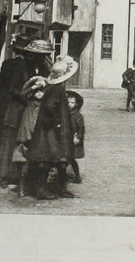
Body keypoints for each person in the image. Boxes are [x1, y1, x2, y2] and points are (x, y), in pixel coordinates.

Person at [0, 36, 52, 183]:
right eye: (40, 55)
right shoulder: (20, 66)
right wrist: (27, 95)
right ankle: (8, 174)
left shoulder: (43, 68)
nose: (43, 58)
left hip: (30, 107)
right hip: (17, 107)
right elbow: (13, 88)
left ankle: (25, 172)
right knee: (12, 139)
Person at [25, 55, 78, 200]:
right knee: (47, 159)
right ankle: (42, 190)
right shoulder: (57, 89)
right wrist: (57, 123)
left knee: (58, 159)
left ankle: (60, 187)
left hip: (49, 128)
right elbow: (49, 107)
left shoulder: (52, 86)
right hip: (50, 131)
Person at [13, 75, 47, 197]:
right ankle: (21, 187)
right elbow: (22, 94)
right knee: (23, 161)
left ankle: (35, 187)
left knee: (38, 162)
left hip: (38, 135)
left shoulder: (44, 105)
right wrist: (33, 87)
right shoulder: (29, 103)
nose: (39, 92)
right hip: (26, 134)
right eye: (36, 91)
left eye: (41, 90)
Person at [66, 91, 85, 183]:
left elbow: (81, 128)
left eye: (72, 103)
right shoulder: (65, 114)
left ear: (76, 104)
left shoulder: (77, 116)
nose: (70, 105)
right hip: (66, 139)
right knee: (67, 158)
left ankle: (77, 176)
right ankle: (65, 174)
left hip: (73, 139)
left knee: (71, 158)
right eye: (68, 102)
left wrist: (78, 137)